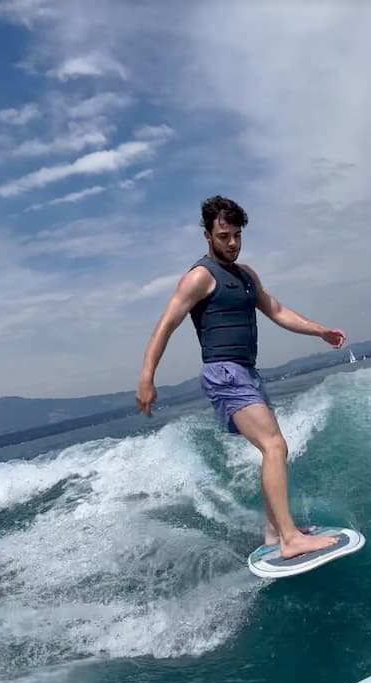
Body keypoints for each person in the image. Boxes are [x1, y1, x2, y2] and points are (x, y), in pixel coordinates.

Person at [136, 196, 347, 559]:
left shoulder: (247, 276)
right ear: (207, 236)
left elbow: (276, 310)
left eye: (236, 235)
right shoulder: (199, 277)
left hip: (247, 373)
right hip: (223, 372)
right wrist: (147, 377)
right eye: (223, 236)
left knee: (274, 446)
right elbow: (165, 325)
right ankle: (291, 539)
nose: (232, 242)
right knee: (274, 446)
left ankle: (274, 533)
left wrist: (319, 331)